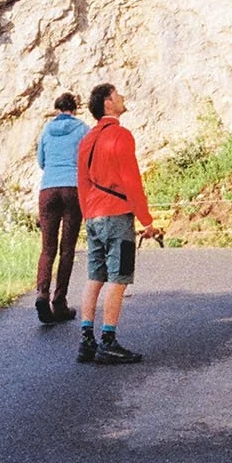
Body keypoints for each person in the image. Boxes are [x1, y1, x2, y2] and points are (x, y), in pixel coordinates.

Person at [74, 82, 157, 364]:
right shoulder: (121, 135)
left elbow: (82, 183)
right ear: (108, 103)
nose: (122, 97)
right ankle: (108, 341)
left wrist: (88, 214)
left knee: (95, 277)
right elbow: (131, 180)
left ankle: (87, 339)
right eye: (117, 95)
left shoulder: (87, 140)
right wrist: (146, 220)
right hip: (117, 214)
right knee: (118, 279)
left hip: (93, 215)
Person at [34, 91, 88, 325]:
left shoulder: (46, 130)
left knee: (48, 248)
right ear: (74, 109)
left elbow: (41, 161)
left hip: (48, 189)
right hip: (73, 188)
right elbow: (87, 160)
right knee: (67, 249)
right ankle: (59, 302)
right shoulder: (83, 129)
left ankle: (41, 293)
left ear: (57, 109)